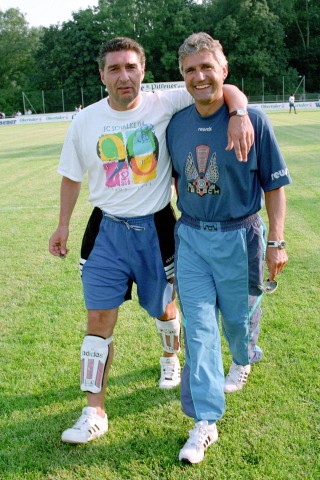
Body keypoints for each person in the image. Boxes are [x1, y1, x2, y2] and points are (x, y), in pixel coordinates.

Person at [49, 36, 254, 445]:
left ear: (143, 70)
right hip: (105, 231)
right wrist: (63, 225)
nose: (123, 76)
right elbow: (72, 175)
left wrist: (241, 112)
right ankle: (94, 411)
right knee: (98, 323)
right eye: (114, 68)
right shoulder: (85, 120)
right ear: (102, 75)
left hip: (156, 228)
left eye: (130, 67)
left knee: (164, 308)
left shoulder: (164, 101)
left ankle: (169, 358)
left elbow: (220, 85)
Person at [166, 32, 292, 464]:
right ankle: (205, 422)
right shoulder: (175, 124)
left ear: (224, 70)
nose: (199, 77)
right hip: (192, 239)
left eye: (207, 67)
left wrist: (276, 241)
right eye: (190, 70)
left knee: (236, 325)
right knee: (200, 332)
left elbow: (274, 187)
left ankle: (243, 356)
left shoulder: (253, 120)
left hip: (242, 237)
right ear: (182, 77)